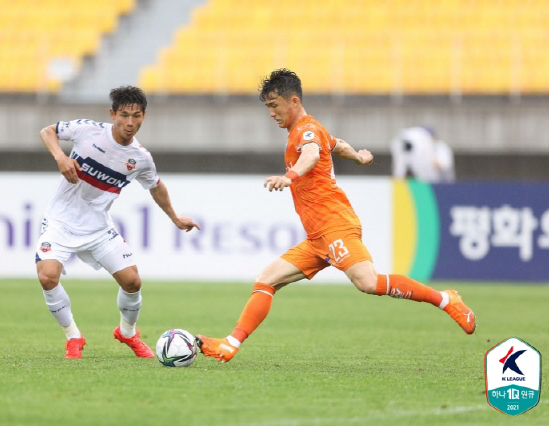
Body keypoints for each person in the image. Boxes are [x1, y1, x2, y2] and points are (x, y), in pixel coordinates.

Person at [196, 69, 475, 363]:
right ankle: (230, 343)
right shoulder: (309, 130)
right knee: (266, 279)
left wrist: (289, 176)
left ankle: (446, 299)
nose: (271, 113)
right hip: (317, 237)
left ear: (293, 101)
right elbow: (334, 143)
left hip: (335, 225)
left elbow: (312, 155)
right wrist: (357, 156)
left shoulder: (305, 130)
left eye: (274, 105)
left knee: (368, 282)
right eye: (268, 107)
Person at [36, 85, 200, 359]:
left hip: (99, 227)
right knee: (47, 276)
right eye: (124, 115)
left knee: (133, 282)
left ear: (143, 117)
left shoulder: (141, 158)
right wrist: (61, 157)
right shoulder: (88, 131)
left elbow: (155, 186)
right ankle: (73, 337)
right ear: (112, 114)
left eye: (136, 116)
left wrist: (175, 217)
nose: (129, 123)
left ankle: (127, 332)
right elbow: (47, 131)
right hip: (60, 221)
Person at [391, 126, 455, 182]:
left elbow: (444, 165)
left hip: (443, 183)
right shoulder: (420, 149)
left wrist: (427, 158)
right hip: (428, 183)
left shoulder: (441, 147)